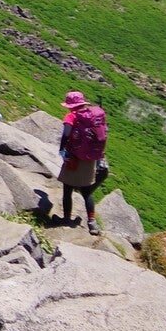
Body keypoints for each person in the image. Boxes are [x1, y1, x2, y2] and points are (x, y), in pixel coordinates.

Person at [57, 91, 108, 232]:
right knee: (86, 192)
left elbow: (66, 134)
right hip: (90, 158)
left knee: (67, 189)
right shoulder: (93, 115)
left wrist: (62, 149)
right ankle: (92, 223)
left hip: (74, 157)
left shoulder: (71, 116)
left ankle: (66, 219)